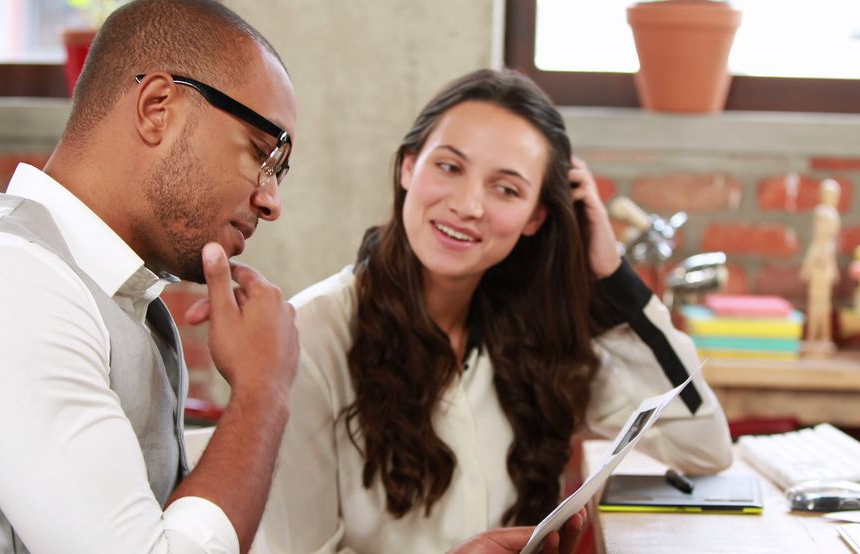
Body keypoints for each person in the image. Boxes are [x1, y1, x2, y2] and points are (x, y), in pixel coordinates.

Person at [0, 0, 582, 554]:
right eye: (262, 152)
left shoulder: (109, 296)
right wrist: (262, 392)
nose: (271, 199)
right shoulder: (6, 287)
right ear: (158, 107)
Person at [256, 69, 734, 554]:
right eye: (449, 167)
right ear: (407, 167)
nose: (467, 205)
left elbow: (703, 443)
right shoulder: (312, 334)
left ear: (535, 218)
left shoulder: (536, 337)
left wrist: (614, 280)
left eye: (506, 189)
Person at [800, 178, 841, 354]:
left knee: (824, 308)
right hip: (818, 276)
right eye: (822, 223)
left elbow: (830, 262)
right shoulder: (817, 247)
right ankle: (812, 337)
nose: (825, 227)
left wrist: (832, 269)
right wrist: (808, 269)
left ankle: (823, 337)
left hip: (824, 277)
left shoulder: (829, 247)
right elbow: (809, 264)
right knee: (814, 307)